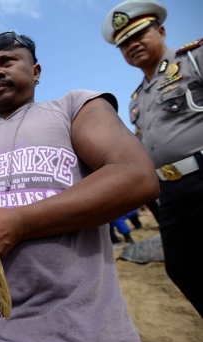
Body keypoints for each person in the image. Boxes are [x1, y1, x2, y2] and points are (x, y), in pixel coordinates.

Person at [0, 31, 159, 342]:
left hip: (79, 339)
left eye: (7, 61)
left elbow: (137, 175)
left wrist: (19, 222)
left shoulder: (74, 106)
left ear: (37, 72)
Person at [102, 0, 203, 317]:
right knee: (182, 267)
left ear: (160, 31)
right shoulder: (137, 98)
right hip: (170, 192)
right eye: (123, 44)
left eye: (138, 36)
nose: (131, 46)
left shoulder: (194, 60)